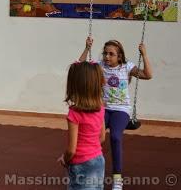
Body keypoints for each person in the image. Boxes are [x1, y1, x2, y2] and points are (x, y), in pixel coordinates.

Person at [79, 37, 153, 190]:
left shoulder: (127, 67)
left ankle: (117, 179)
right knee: (92, 136)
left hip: (121, 109)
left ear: (119, 56)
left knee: (115, 137)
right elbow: (79, 67)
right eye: (105, 53)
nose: (107, 57)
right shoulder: (99, 66)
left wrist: (144, 54)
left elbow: (148, 74)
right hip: (103, 109)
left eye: (111, 54)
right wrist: (87, 48)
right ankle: (89, 170)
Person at [57, 61, 106, 190]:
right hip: (98, 159)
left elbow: (72, 150)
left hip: (80, 163)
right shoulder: (100, 108)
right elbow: (102, 138)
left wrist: (65, 159)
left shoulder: (74, 113)